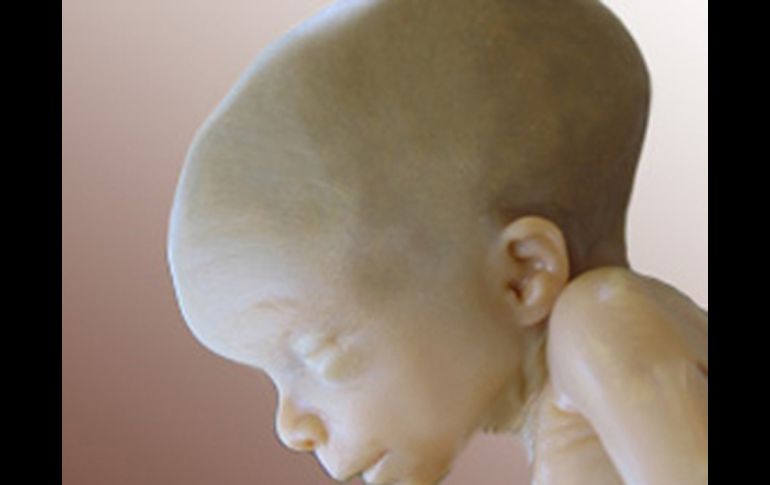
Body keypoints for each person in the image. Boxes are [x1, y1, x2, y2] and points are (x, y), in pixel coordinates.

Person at [167, 0, 707, 483]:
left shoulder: (603, 326)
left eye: (318, 356)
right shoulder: (565, 415)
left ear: (522, 276)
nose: (290, 428)